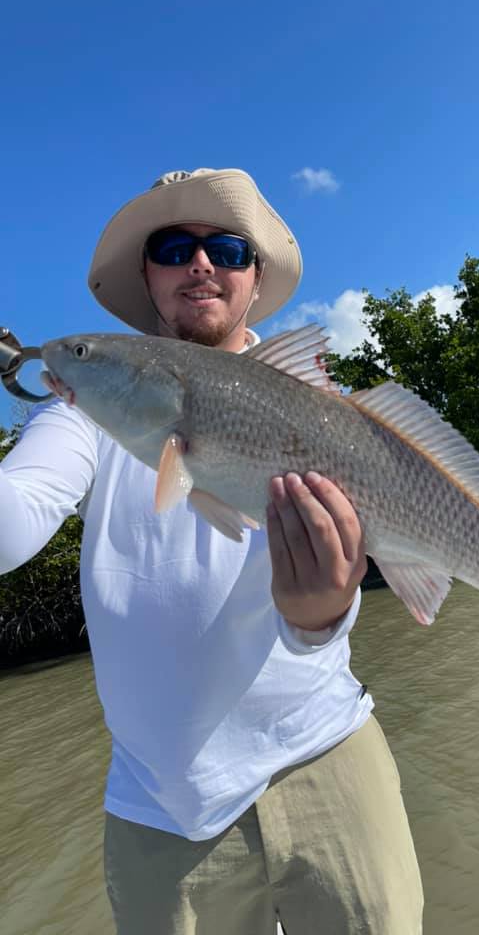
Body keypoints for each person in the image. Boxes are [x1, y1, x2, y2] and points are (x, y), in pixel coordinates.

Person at [0, 168, 424, 934]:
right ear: (148, 276)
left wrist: (324, 614)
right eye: (174, 247)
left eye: (227, 248)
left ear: (255, 277)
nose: (201, 264)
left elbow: (321, 618)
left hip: (325, 751)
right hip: (160, 805)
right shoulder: (84, 410)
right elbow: (11, 521)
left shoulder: (318, 408)